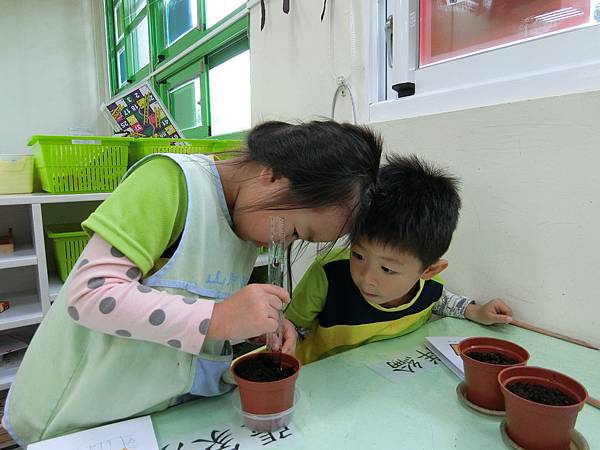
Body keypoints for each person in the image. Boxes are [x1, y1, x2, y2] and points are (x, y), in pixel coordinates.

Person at [2, 120, 383, 446]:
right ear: (273, 175)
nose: (283, 242)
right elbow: (89, 295)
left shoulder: (249, 219)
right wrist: (218, 318)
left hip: (144, 413)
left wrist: (250, 324)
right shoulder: (169, 183)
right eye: (295, 229)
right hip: (74, 413)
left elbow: (191, 296)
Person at [285, 154, 513, 365]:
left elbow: (441, 300)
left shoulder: (430, 287)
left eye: (387, 269)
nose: (367, 279)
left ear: (429, 270)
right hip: (322, 379)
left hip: (383, 383)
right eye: (358, 255)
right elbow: (292, 327)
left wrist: (477, 312)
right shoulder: (328, 273)